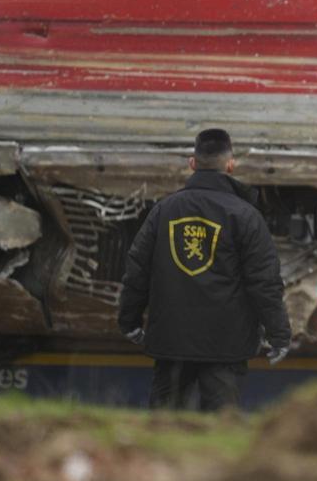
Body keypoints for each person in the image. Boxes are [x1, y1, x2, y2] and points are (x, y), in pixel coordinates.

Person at [118, 128, 291, 410]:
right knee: (222, 429)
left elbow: (137, 270)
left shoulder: (164, 211)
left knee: (161, 428)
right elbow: (264, 283)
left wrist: (130, 321)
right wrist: (279, 334)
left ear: (192, 163)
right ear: (230, 165)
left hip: (170, 340)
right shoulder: (245, 216)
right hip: (227, 344)